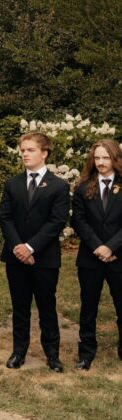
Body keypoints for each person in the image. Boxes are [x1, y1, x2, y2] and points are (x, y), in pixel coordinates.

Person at [0, 131, 70, 372]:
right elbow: (5, 218)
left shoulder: (59, 186)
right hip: (15, 256)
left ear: (44, 153)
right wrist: (18, 247)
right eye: (23, 150)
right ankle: (19, 352)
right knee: (20, 306)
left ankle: (52, 355)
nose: (25, 154)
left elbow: (57, 221)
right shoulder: (12, 184)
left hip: (44, 258)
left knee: (46, 306)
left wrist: (30, 247)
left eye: (30, 150)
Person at [71, 139, 122, 370]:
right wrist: (98, 247)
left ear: (115, 158)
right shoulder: (83, 187)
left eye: (106, 157)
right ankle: (86, 353)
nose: (101, 162)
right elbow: (79, 222)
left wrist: (111, 247)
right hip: (90, 258)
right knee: (88, 307)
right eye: (97, 158)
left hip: (119, 257)